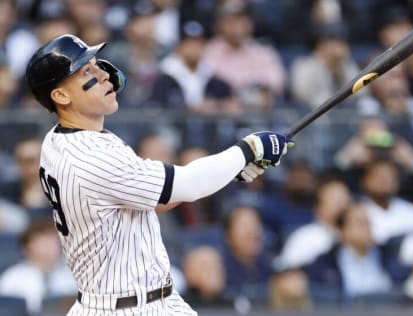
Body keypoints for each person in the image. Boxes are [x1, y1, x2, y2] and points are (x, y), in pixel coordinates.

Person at [25, 33, 292, 316]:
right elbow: (187, 184)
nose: (104, 75)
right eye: (86, 72)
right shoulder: (90, 156)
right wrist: (248, 150)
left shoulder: (58, 140)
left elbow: (148, 199)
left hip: (150, 300)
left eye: (97, 65)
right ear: (61, 95)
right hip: (125, 307)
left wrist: (227, 173)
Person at [0, 217, 77, 315]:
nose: (49, 246)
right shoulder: (13, 277)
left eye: (53, 240)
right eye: (42, 241)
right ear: (26, 247)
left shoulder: (74, 275)